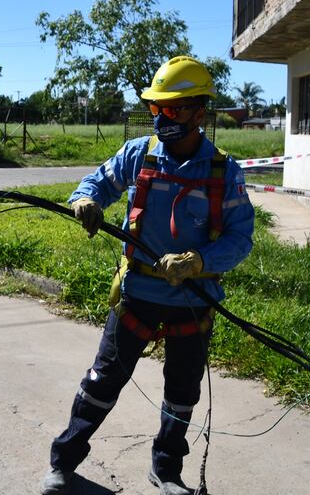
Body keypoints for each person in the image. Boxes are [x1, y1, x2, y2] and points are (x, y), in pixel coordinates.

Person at [40, 56, 255, 495]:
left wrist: (198, 261)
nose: (162, 118)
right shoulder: (139, 154)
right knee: (102, 383)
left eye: (172, 110)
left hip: (192, 302)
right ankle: (63, 463)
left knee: (181, 392)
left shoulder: (223, 173)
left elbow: (240, 239)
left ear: (199, 112)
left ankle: (166, 471)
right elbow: (96, 183)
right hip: (136, 294)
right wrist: (85, 200)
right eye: (157, 110)